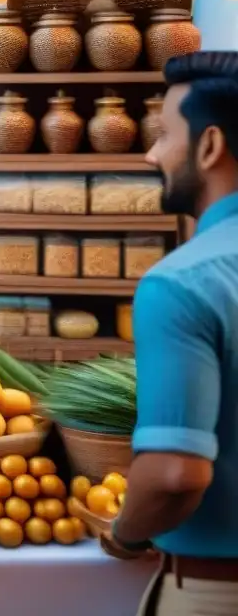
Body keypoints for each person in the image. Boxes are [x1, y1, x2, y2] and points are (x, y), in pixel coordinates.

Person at [99, 52, 238, 615]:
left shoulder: (183, 283)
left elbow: (175, 475)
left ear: (209, 147)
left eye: (163, 135)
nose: (151, 152)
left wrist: (124, 535)